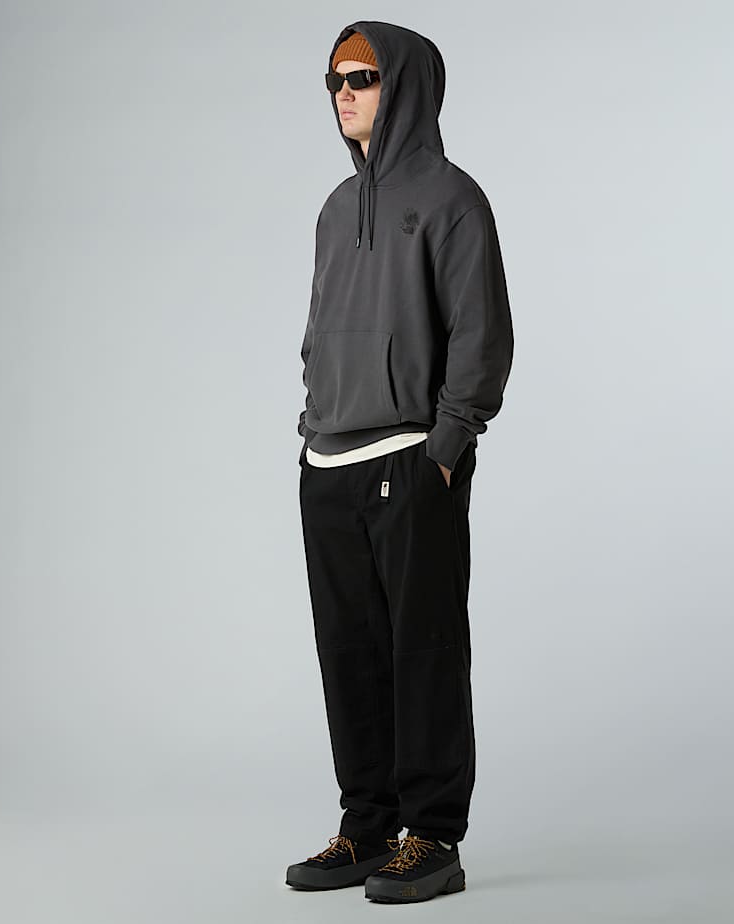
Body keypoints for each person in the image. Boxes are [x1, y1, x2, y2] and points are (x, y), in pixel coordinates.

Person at [285, 20, 514, 904]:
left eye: (363, 76)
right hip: (328, 462)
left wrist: (447, 448)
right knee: (348, 651)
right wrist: (311, 424)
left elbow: (481, 336)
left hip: (412, 460)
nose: (344, 93)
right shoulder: (335, 209)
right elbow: (318, 330)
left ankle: (434, 838)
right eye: (334, 79)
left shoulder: (453, 199)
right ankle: (367, 825)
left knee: (423, 650)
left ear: (405, 84)